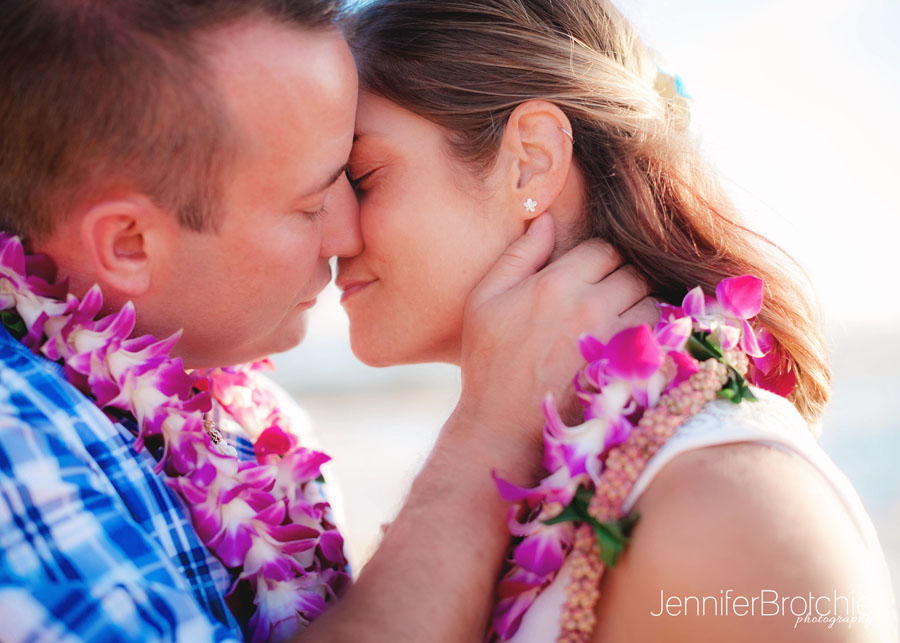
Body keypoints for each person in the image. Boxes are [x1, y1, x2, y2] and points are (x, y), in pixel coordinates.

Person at [0, 1, 657, 641]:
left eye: (360, 175)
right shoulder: (15, 440)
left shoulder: (252, 422)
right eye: (315, 199)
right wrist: (485, 438)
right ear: (130, 245)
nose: (347, 232)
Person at [342, 0, 899, 640]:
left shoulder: (727, 505)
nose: (331, 231)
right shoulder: (555, 461)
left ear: (532, 160)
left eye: (361, 177)